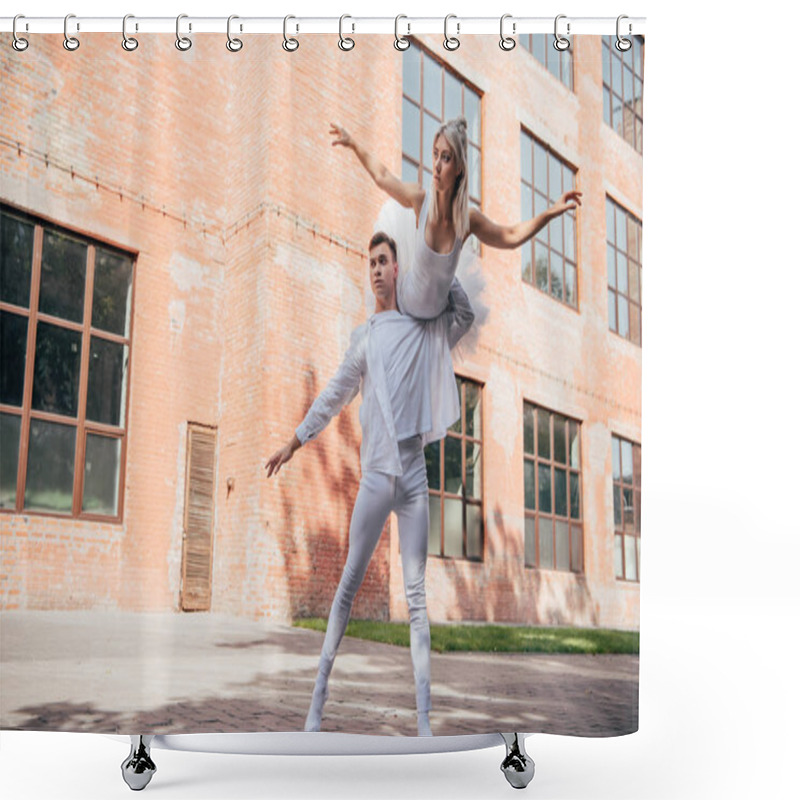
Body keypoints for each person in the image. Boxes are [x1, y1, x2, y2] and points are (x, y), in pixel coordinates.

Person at [265, 232, 474, 737]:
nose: (377, 270)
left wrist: (440, 273)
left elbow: (463, 316)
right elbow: (333, 395)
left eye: (385, 261)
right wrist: (295, 442)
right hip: (377, 480)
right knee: (347, 588)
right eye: (371, 263)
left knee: (417, 600)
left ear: (400, 269)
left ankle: (425, 721)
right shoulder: (366, 338)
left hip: (415, 481)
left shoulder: (423, 330)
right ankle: (317, 702)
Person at [329, 117, 582, 320]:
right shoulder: (420, 200)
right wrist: (353, 144)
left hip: (435, 319)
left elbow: (512, 236)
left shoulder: (467, 220)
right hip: (406, 306)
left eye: (446, 158)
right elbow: (383, 176)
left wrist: (550, 213)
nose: (437, 165)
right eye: (435, 154)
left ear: (459, 167)